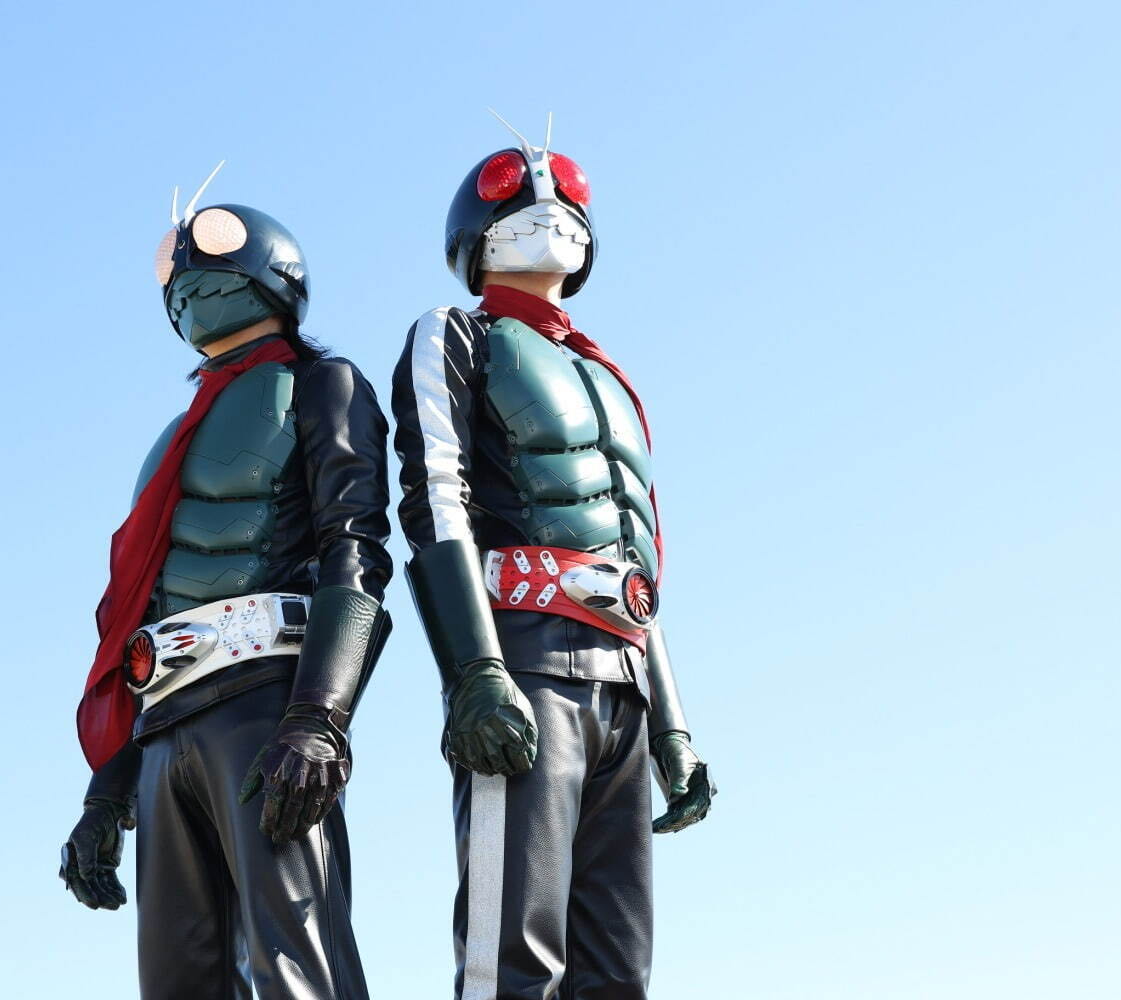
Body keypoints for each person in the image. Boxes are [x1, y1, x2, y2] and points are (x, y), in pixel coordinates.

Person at [391, 115, 716, 999]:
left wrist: (673, 728)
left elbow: (635, 555)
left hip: (623, 678)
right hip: (527, 660)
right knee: (513, 958)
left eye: (565, 191)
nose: (547, 198)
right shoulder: (456, 335)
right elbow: (436, 500)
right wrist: (474, 670)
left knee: (619, 970)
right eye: (519, 191)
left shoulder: (607, 374)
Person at [59, 165, 393, 1000]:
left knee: (297, 963)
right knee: (178, 981)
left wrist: (319, 718)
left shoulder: (321, 385)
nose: (185, 272)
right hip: (164, 723)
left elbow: (355, 550)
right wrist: (107, 793)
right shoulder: (170, 442)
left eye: (208, 249)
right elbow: (142, 605)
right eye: (174, 266)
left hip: (263, 704)